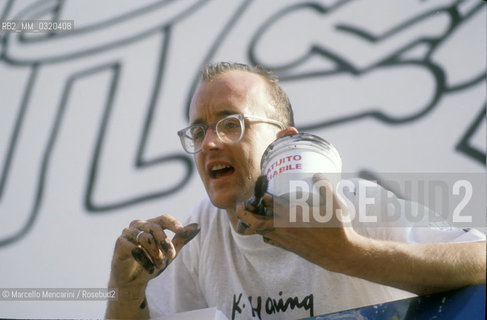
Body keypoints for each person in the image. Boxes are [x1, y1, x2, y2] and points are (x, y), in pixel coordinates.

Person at [105, 62, 486, 319]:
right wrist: (124, 290)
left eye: (231, 124)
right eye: (199, 131)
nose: (209, 144)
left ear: (284, 140)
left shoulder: (349, 202)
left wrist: (349, 253)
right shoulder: (199, 232)